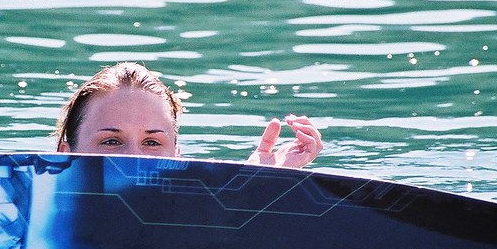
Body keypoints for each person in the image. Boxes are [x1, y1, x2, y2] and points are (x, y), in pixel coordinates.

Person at [55, 62, 322, 168]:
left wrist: (257, 188)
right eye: (111, 141)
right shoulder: (20, 213)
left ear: (176, 155)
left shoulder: (211, 216)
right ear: (65, 154)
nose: (134, 158)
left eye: (152, 143)